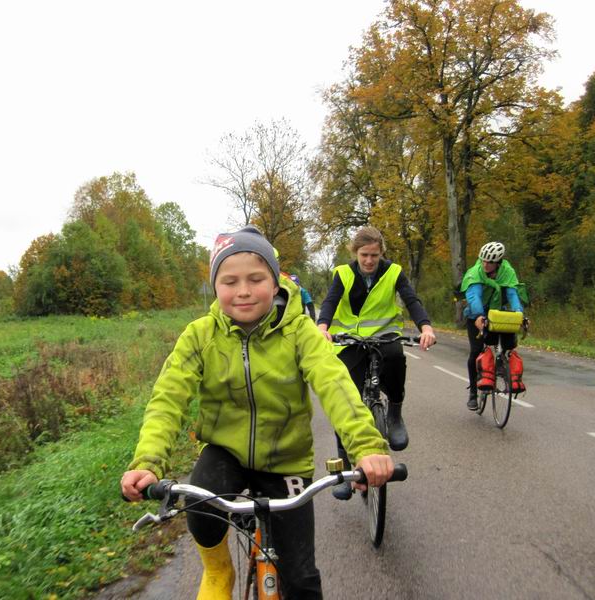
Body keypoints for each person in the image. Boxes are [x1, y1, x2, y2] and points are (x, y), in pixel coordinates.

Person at [121, 225, 393, 600]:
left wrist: (366, 446)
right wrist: (148, 461)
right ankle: (219, 570)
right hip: (224, 452)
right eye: (230, 281)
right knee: (198, 508)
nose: (244, 290)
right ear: (215, 287)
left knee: (301, 580)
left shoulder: (300, 332)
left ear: (276, 280)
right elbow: (168, 398)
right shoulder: (199, 335)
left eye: (256, 278)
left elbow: (336, 386)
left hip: (286, 461)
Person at [317, 226, 435, 499]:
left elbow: (411, 300)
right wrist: (323, 327)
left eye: (374, 255)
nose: (369, 261)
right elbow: (330, 302)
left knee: (395, 357)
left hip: (385, 335)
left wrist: (425, 326)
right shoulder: (343, 274)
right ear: (355, 253)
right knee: (346, 399)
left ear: (382, 253)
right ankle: (344, 469)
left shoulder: (393, 272)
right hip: (350, 340)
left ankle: (394, 414)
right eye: (364, 255)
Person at [460, 241, 525, 410]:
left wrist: (520, 314)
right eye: (483, 260)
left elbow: (513, 294)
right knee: (475, 351)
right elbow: (474, 296)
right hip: (476, 314)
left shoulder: (507, 272)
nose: (485, 264)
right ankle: (473, 393)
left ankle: (502, 364)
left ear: (498, 262)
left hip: (497, 313)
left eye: (489, 262)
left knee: (509, 341)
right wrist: (480, 316)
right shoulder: (475, 273)